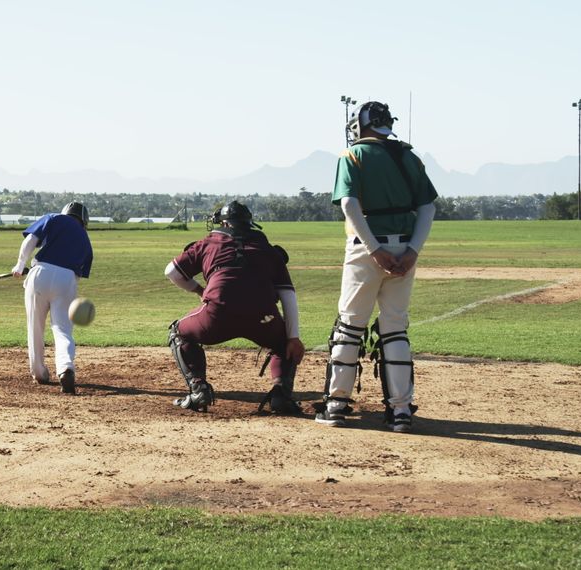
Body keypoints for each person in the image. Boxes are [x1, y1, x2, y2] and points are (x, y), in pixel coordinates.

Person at [316, 101, 438, 433]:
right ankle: (400, 411)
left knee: (350, 326)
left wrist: (374, 249)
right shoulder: (409, 156)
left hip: (365, 247)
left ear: (361, 125)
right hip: (404, 247)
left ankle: (336, 406)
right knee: (395, 327)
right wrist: (412, 250)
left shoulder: (352, 156)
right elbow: (427, 208)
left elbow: (349, 204)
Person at [164, 201, 305, 413]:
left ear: (223, 223)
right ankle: (281, 396)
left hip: (217, 314)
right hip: (262, 317)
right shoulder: (268, 249)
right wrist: (293, 337)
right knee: (284, 343)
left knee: (178, 332)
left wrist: (198, 290)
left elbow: (171, 272)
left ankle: (198, 390)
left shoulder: (207, 243)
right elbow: (288, 294)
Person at [11, 202, 94, 394]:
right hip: (68, 280)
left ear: (65, 213)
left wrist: (20, 263)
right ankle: (65, 367)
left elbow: (31, 239)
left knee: (35, 326)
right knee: (63, 330)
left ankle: (39, 372)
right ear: (84, 221)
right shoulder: (85, 238)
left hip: (40, 274)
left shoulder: (53, 218)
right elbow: (77, 275)